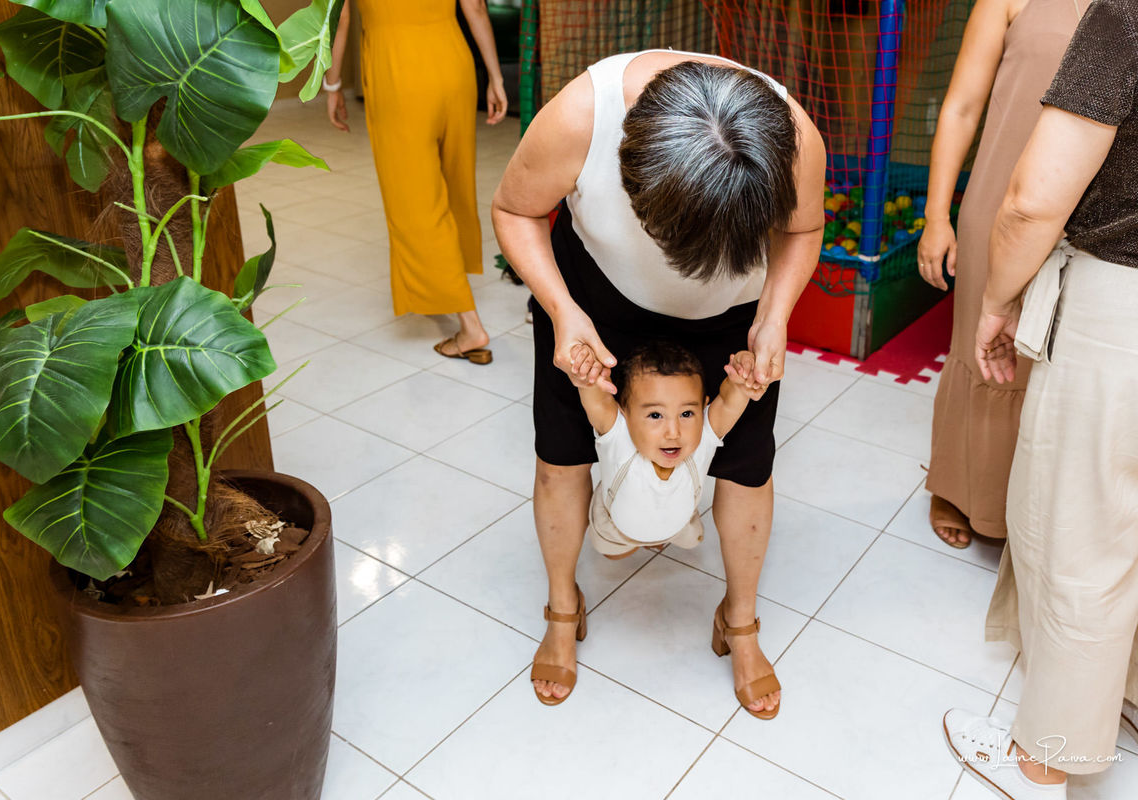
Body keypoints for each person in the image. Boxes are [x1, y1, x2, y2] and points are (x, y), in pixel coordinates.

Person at [492, 51, 826, 711]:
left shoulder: (796, 139)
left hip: (736, 320)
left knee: (749, 466)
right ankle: (563, 608)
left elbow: (804, 227)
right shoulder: (582, 118)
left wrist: (774, 315)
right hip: (595, 304)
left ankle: (741, 620)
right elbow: (514, 210)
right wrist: (563, 312)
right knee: (562, 457)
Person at [942, 1, 1138, 796]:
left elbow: (1031, 199)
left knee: (1081, 532)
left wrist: (997, 299)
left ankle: (1044, 759)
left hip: (1122, 301)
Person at [917, 0, 1085, 549]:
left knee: (1064, 370)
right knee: (985, 354)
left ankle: (1037, 512)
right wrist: (937, 216)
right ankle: (959, 488)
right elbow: (963, 106)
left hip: (1097, 219)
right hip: (999, 204)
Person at [325, 0, 507, 363]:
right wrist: (495, 77)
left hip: (397, 72)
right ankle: (441, 287)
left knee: (415, 198)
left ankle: (469, 325)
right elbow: (476, 8)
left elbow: (340, 17)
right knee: (455, 187)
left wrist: (333, 85)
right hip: (454, 64)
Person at [578, 343, 765, 560]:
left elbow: (729, 401)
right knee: (613, 555)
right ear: (623, 411)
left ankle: (659, 536)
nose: (673, 432)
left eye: (686, 413)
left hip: (678, 523)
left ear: (703, 407)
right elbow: (598, 401)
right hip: (617, 528)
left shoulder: (703, 434)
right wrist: (587, 370)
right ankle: (641, 541)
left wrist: (742, 375)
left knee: (689, 538)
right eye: (656, 415)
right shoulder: (618, 435)